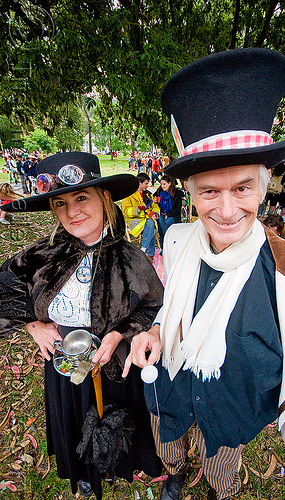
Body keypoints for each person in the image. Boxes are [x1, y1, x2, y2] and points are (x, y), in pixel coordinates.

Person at [122, 49, 285, 500]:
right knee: (169, 439)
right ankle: (175, 474)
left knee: (223, 466)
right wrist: (157, 333)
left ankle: (220, 491)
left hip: (233, 405)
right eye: (209, 192)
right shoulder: (177, 240)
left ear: (263, 186)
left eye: (242, 188)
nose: (225, 210)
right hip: (171, 384)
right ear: (190, 193)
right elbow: (168, 307)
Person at [0, 152, 163, 500]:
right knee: (74, 420)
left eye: (81, 198)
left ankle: (116, 466)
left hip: (112, 365)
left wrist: (120, 332)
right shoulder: (41, 256)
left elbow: (153, 306)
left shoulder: (132, 258)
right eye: (61, 203)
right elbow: (5, 288)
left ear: (104, 197)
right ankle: (84, 474)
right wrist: (33, 325)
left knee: (115, 418)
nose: (72, 212)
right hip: (64, 366)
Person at [122, 172, 160, 262]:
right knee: (151, 225)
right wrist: (137, 209)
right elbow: (125, 212)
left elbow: (155, 206)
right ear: (139, 183)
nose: (148, 186)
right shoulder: (128, 194)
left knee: (151, 226)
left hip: (147, 220)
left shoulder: (148, 194)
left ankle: (146, 253)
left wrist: (155, 213)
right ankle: (146, 252)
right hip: (134, 221)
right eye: (146, 183)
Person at [154, 175, 183, 249]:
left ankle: (165, 246)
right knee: (160, 220)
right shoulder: (159, 191)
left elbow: (178, 208)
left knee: (165, 222)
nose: (162, 186)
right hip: (162, 213)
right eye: (161, 184)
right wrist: (155, 200)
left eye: (164, 184)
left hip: (173, 215)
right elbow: (152, 198)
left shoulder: (177, 193)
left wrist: (168, 214)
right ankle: (169, 243)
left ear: (169, 184)